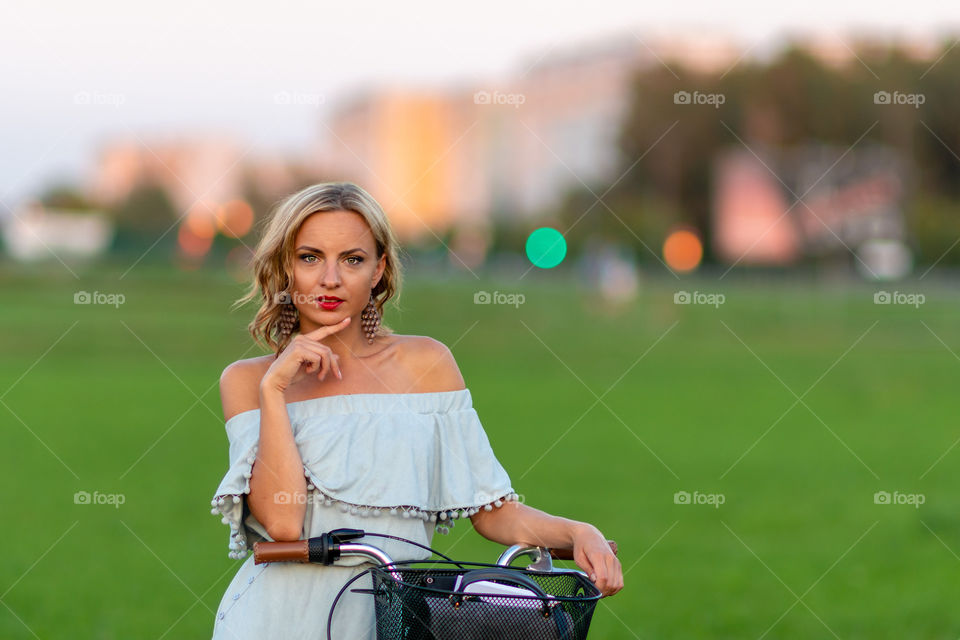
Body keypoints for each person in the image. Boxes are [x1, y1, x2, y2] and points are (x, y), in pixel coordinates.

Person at [209, 182, 622, 639]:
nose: (330, 278)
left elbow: (493, 512)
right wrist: (275, 389)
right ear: (286, 267)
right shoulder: (249, 381)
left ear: (379, 270)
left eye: (352, 259)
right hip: (276, 622)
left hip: (399, 619)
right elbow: (284, 525)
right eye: (310, 257)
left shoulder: (428, 364)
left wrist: (578, 533)